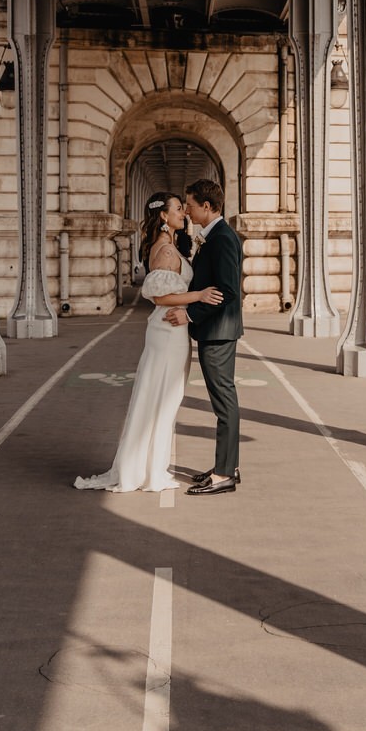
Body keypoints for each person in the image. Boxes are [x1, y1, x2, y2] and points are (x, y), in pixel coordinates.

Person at [74, 193, 223, 493]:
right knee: (163, 400)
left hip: (168, 331)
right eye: (179, 209)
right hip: (168, 333)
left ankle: (149, 467)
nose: (184, 213)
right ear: (164, 217)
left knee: (158, 399)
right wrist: (199, 295)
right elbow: (160, 298)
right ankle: (150, 471)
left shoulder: (166, 247)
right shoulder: (166, 251)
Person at [167, 178, 244, 497]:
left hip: (218, 332)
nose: (187, 210)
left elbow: (227, 291)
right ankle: (228, 465)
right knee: (223, 400)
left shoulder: (223, 239)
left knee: (223, 402)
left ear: (208, 206)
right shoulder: (215, 237)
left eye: (191, 205)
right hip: (217, 331)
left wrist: (190, 314)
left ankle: (225, 473)